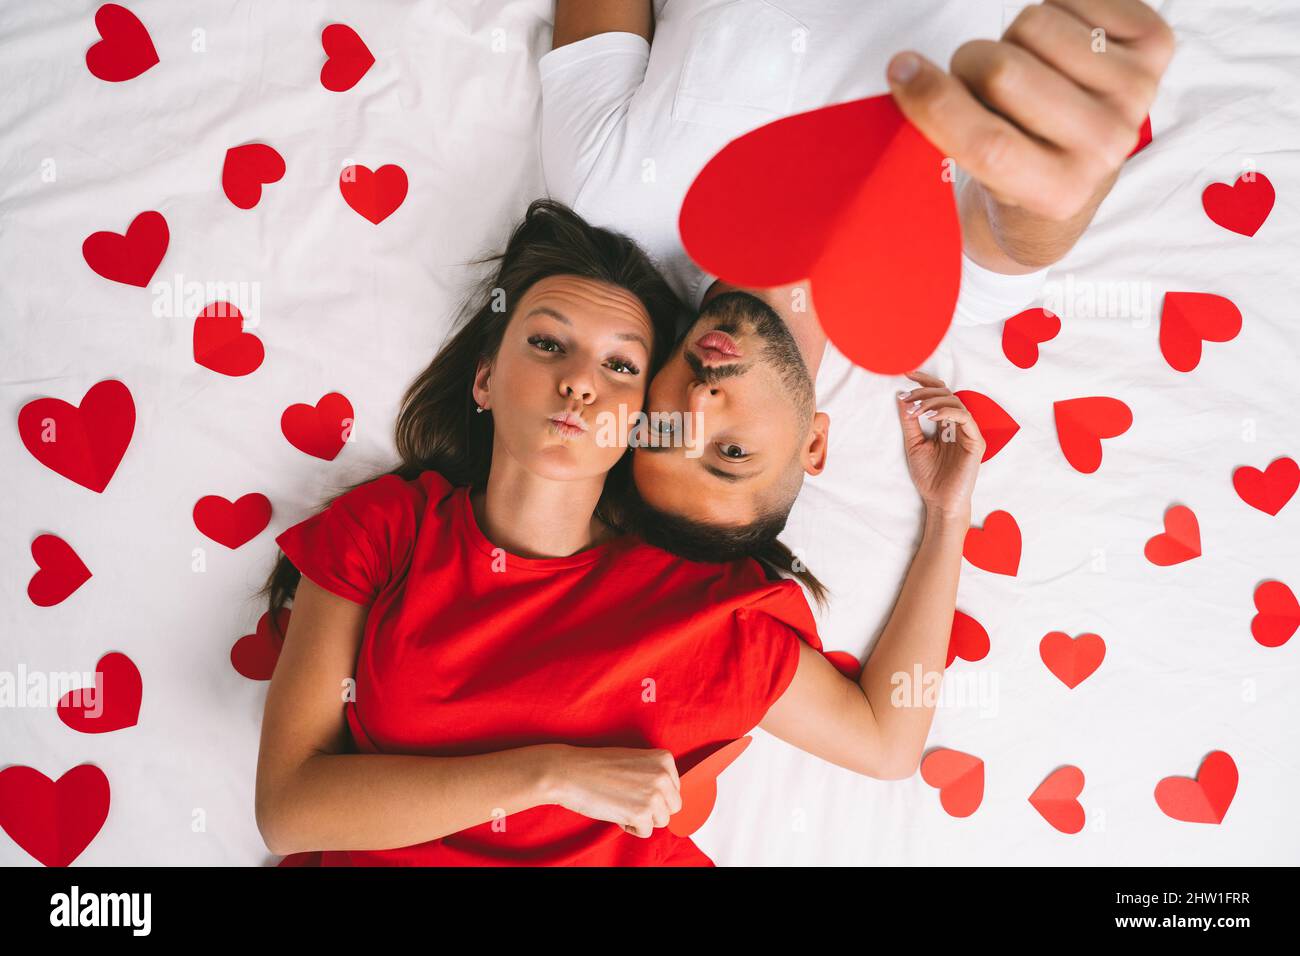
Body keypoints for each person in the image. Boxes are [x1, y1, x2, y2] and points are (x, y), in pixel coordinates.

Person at [257, 198, 977, 868]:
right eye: (546, 344)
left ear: (641, 421)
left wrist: (947, 517)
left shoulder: (699, 618)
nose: (579, 382)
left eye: (621, 365)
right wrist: (551, 774)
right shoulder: (389, 529)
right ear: (484, 381)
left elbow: (886, 742)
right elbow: (290, 809)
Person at [540, 0, 1174, 555]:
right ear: (814, 445)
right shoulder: (936, 293)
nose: (699, 403)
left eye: (667, 430)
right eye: (731, 453)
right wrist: (1062, 168)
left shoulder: (608, 194)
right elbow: (1021, 232)